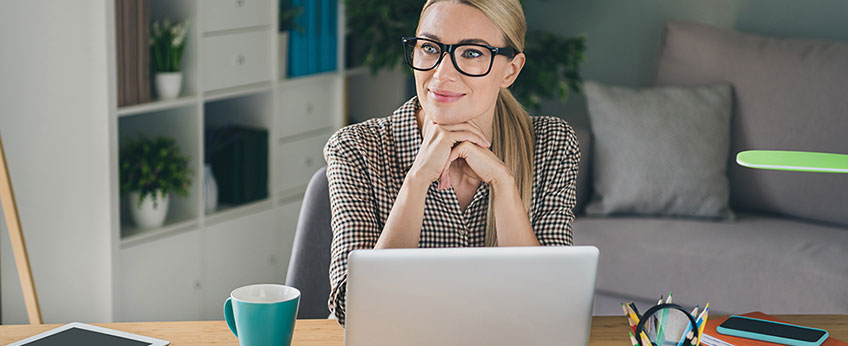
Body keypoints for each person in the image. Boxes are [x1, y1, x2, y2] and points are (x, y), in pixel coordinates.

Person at [324, 0, 580, 326]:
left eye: (471, 53)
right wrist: (416, 181)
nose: (442, 74)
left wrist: (503, 185)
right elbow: (356, 311)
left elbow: (552, 307)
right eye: (430, 48)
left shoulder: (551, 144)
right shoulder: (356, 149)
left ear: (511, 70)